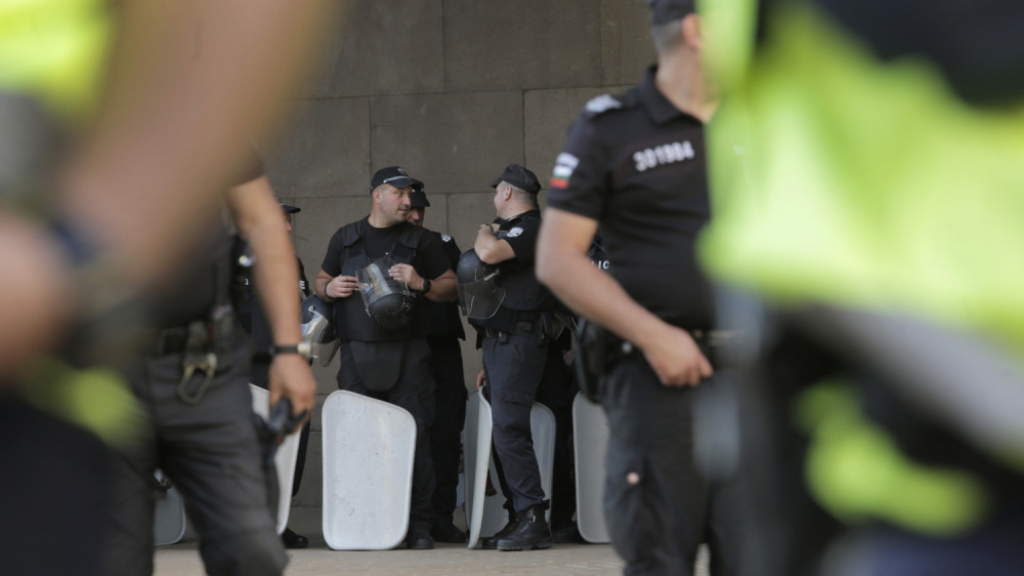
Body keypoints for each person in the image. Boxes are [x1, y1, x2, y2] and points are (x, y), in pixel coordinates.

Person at [536, 1, 742, 573]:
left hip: (757, 380)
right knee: (658, 556)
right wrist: (656, 336)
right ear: (699, 30)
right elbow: (558, 259)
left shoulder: (768, 119)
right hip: (656, 380)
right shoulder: (612, 125)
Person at [101, 155, 317, 575]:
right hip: (98, 373)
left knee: (251, 548)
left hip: (202, 365)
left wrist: (290, 353)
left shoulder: (196, 96)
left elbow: (261, 220)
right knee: (109, 558)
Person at [315, 166, 458, 550]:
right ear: (377, 194)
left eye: (410, 194)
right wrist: (329, 287)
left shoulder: (423, 240)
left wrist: (421, 283)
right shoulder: (346, 237)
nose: (408, 201)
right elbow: (320, 279)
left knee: (415, 440)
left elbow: (451, 287)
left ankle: (419, 526)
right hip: (357, 354)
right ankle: (363, 523)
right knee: (359, 443)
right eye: (400, 194)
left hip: (409, 354)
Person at [467, 164, 557, 552]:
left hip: (520, 341)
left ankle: (533, 515)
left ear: (506, 193)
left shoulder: (531, 227)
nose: (493, 200)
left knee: (510, 429)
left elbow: (486, 251)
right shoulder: (520, 229)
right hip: (502, 342)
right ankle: (519, 515)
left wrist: (485, 229)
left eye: (495, 193)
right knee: (503, 430)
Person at [236, 196, 313, 549]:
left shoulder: (292, 263)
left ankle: (279, 522)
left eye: (289, 220)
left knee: (290, 450)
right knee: (250, 451)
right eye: (280, 219)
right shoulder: (234, 264)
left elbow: (304, 311)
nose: (288, 226)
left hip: (290, 369)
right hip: (249, 371)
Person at [405, 185, 470, 544]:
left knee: (446, 435)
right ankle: (412, 518)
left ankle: (441, 517)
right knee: (412, 434)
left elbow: (465, 288)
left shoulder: (442, 242)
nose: (416, 215)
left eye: (421, 208)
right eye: (410, 208)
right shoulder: (382, 242)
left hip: (443, 348)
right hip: (402, 351)